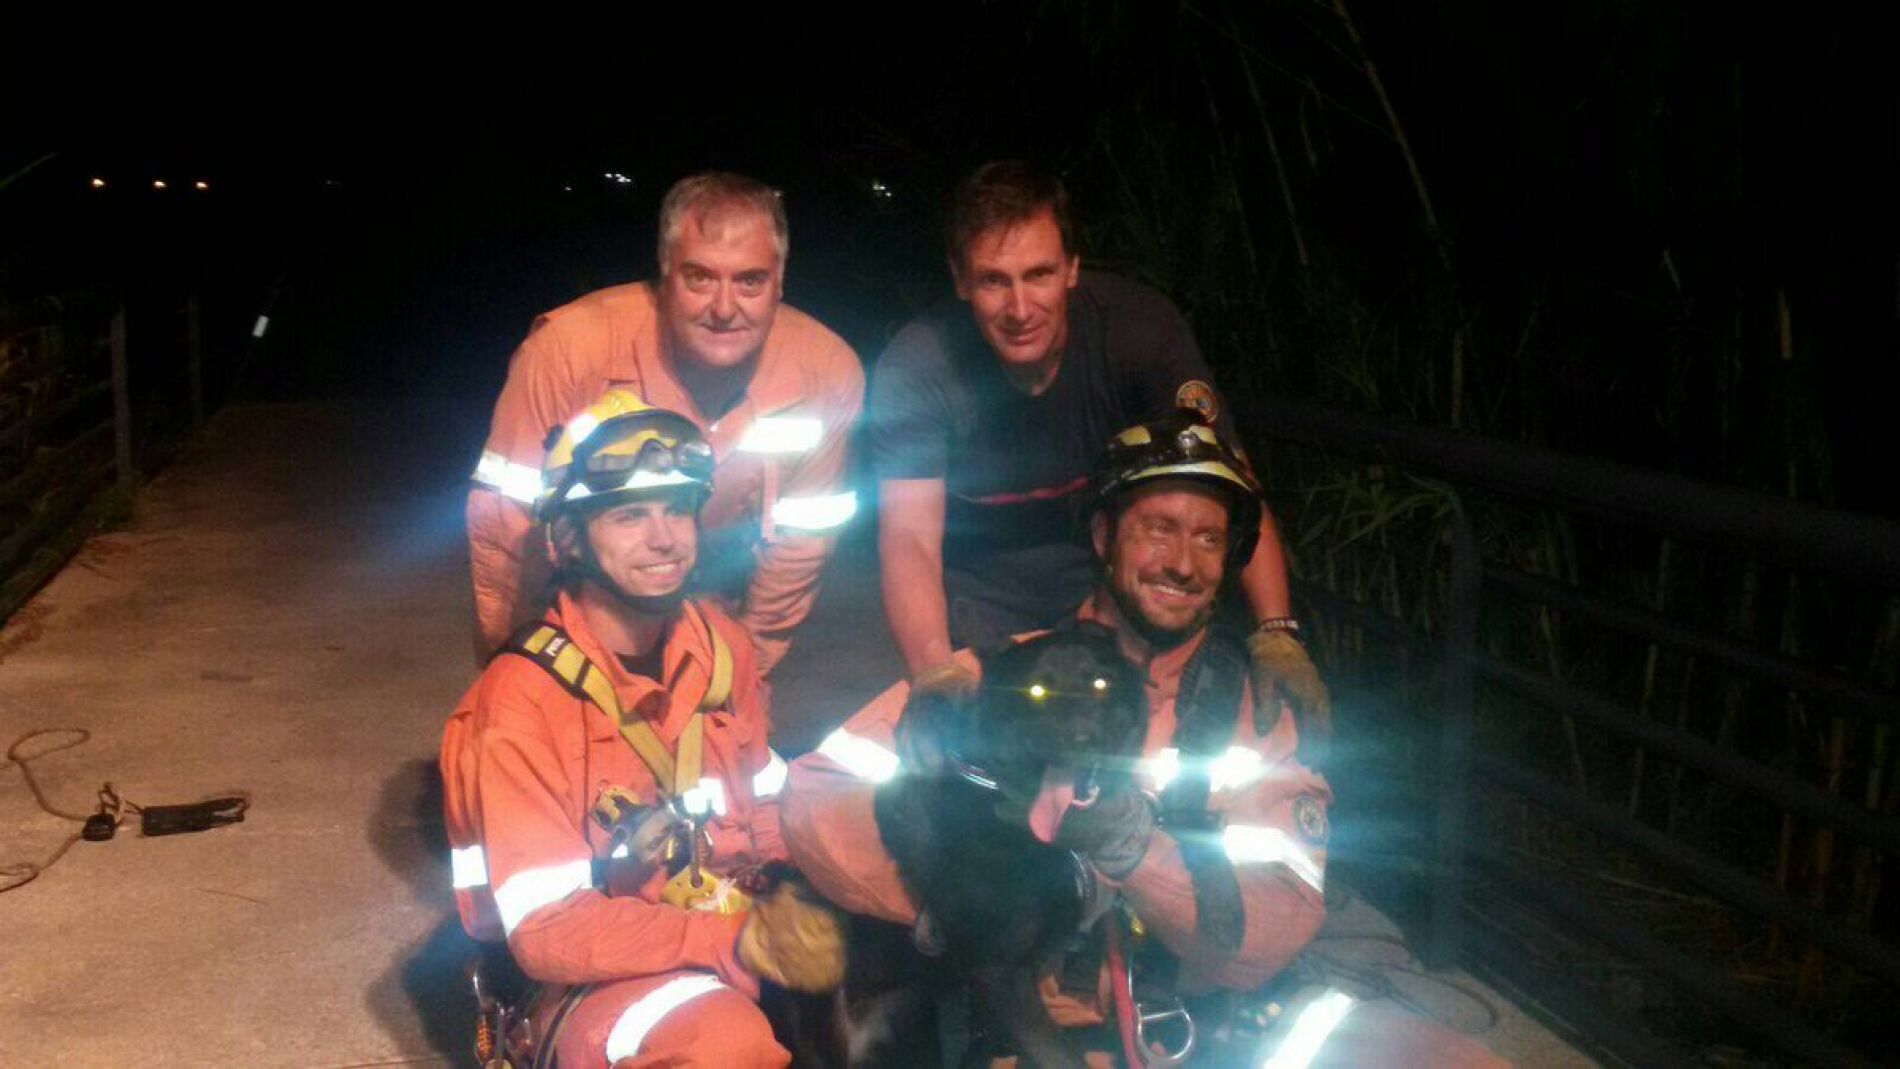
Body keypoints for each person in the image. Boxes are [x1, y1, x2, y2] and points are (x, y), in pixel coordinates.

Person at [869, 160, 1327, 754]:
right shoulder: (920, 366)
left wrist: (1276, 631)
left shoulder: (1137, 332)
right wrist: (931, 673)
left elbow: (1230, 485)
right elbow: (908, 536)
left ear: (1073, 269)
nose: (1019, 307)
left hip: (1109, 573)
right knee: (1001, 748)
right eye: (993, 281)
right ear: (959, 280)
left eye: (1039, 275)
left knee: (1173, 731)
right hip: (977, 592)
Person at [442, 391, 843, 1068]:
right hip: (595, 971)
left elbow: (767, 801)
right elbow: (548, 931)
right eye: (630, 515)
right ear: (567, 538)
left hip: (724, 909)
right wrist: (731, 941)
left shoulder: (718, 648)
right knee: (723, 1047)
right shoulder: (520, 702)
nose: (665, 538)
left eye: (679, 509)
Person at [468, 171, 864, 674]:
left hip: (717, 608)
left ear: (779, 281)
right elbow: (506, 529)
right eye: (699, 277)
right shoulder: (569, 350)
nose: (724, 309)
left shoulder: (828, 372)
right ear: (664, 273)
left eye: (749, 281)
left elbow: (801, 547)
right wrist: (521, 667)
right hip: (580, 606)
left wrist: (740, 673)